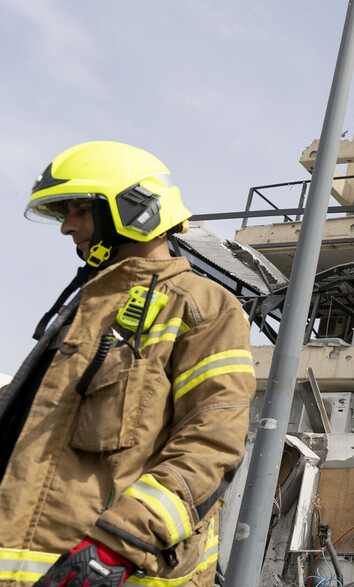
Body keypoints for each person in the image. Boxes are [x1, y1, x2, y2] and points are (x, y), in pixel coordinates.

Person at [0, 141, 256, 587]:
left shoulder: (203, 306)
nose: (66, 228)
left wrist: (114, 548)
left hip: (103, 571)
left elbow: (210, 444)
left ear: (135, 210)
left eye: (79, 210)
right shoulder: (83, 309)